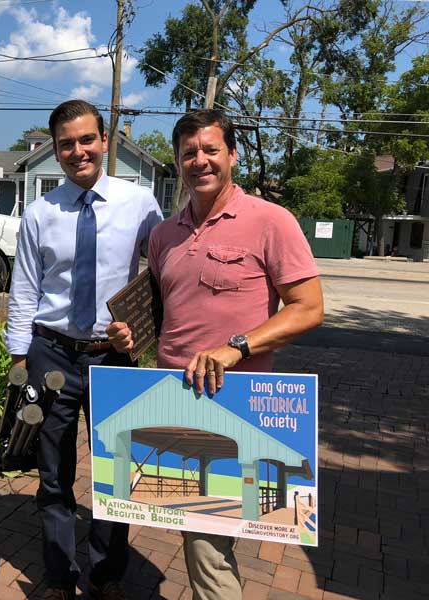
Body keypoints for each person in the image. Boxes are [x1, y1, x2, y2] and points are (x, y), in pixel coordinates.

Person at [106, 109, 324, 600]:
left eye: (211, 150)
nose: (200, 161)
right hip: (174, 400)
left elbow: (309, 308)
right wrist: (129, 336)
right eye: (189, 153)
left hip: (237, 406)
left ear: (233, 155)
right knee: (202, 536)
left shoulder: (271, 221)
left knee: (207, 544)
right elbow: (164, 313)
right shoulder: (164, 235)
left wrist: (236, 347)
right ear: (177, 161)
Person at [6, 99, 162, 600]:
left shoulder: (140, 204)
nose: (79, 151)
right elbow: (25, 289)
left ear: (105, 141)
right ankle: (59, 577)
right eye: (67, 144)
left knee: (117, 473)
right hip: (51, 354)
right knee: (53, 475)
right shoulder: (40, 213)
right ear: (55, 150)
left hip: (113, 357)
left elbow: (163, 276)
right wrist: (19, 359)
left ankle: (106, 574)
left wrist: (142, 329)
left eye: (87, 139)